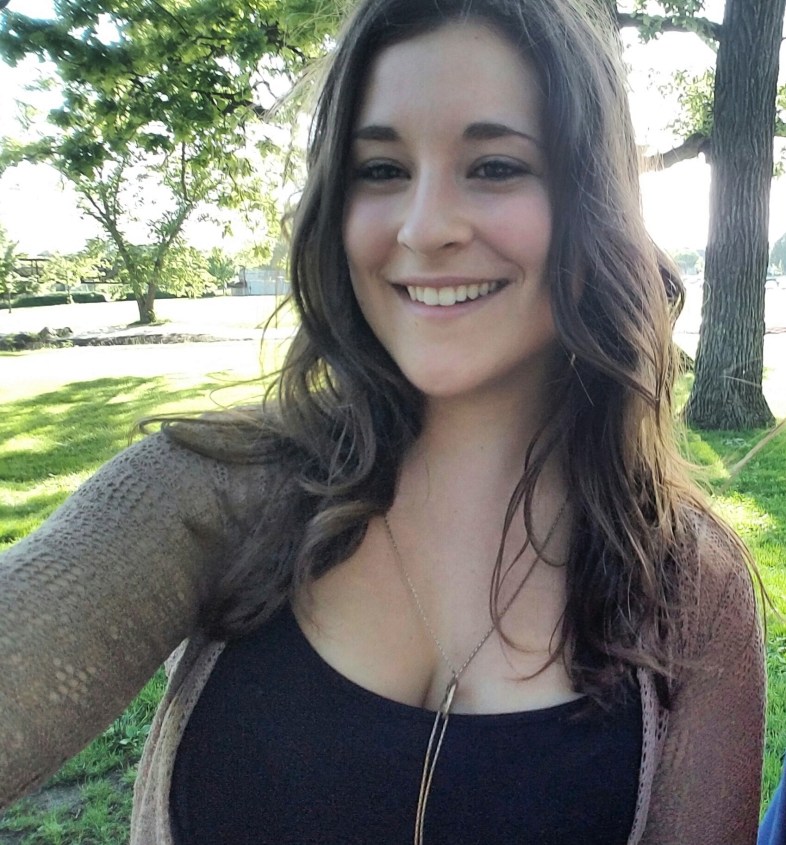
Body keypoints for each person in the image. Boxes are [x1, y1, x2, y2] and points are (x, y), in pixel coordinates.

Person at [0, 0, 766, 843]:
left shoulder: (693, 590)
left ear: (595, 204)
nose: (424, 227)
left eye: (494, 166)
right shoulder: (202, 491)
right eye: (382, 170)